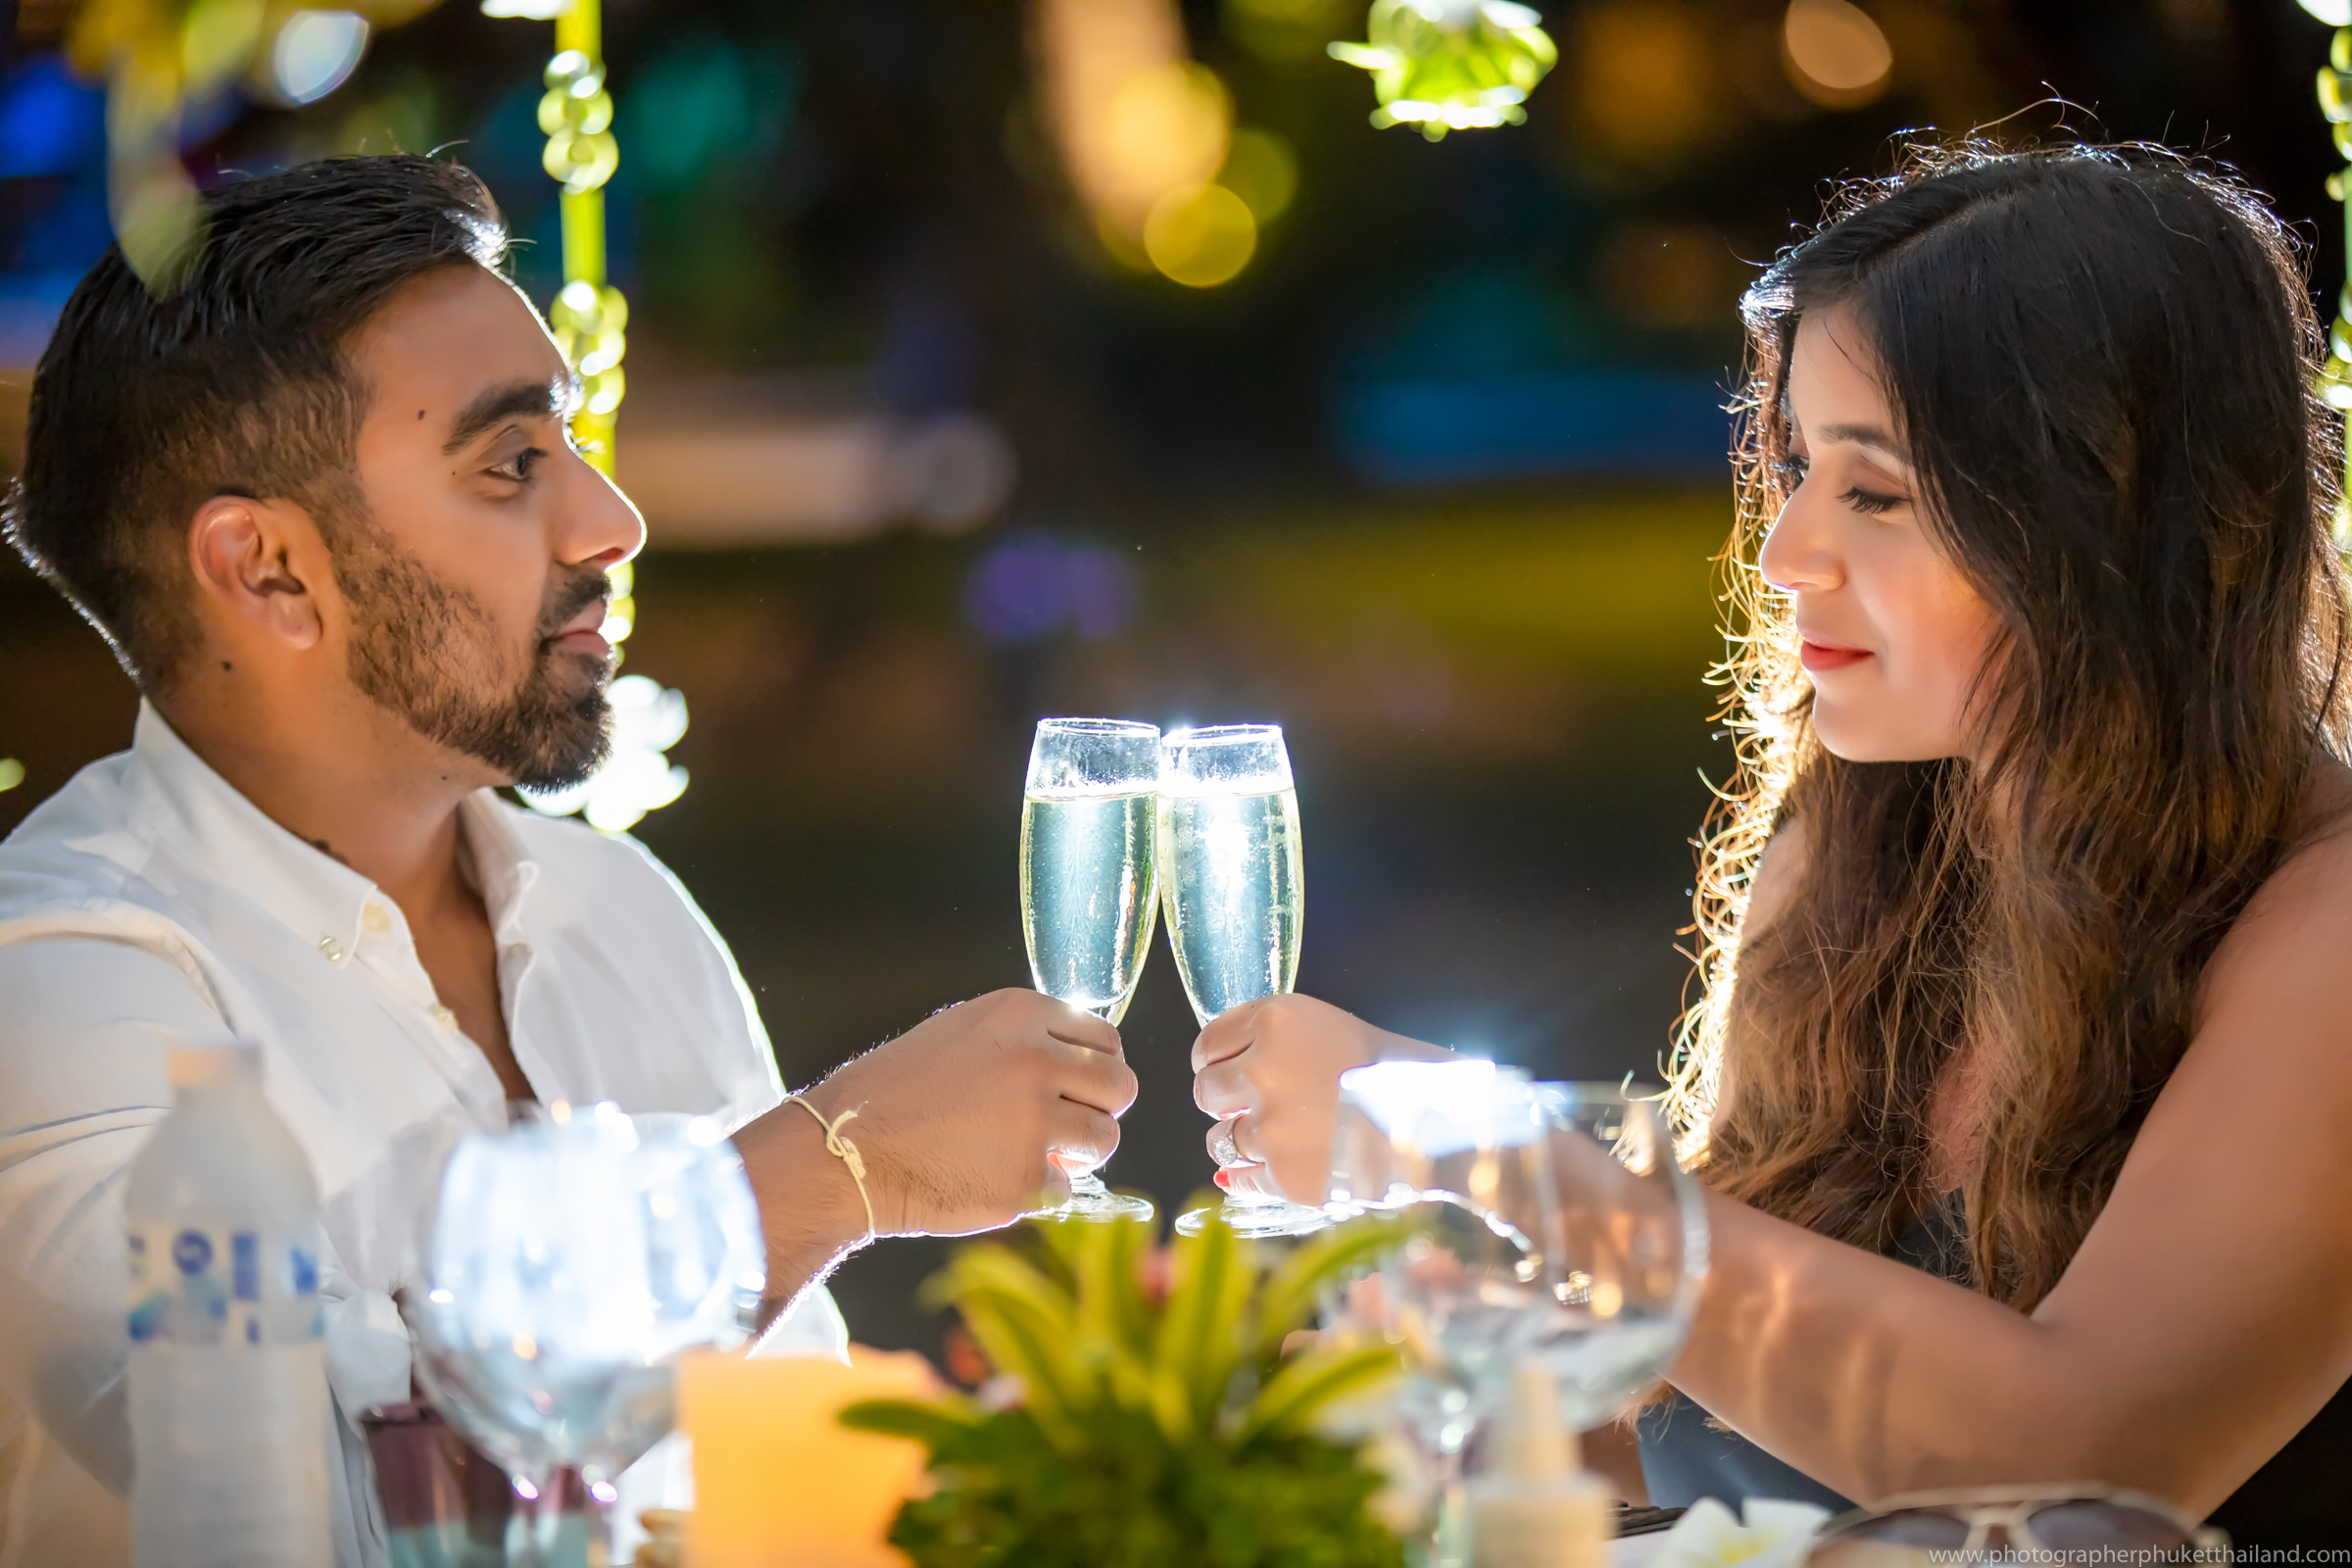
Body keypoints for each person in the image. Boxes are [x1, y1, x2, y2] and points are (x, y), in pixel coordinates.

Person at [1189, 144, 2352, 1547]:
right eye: (1794, 465)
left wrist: (1479, 1143)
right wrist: (1443, 1410)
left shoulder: (2322, 927)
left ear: (2109, 525)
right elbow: (1741, 1394)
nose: (1787, 549)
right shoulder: (1857, 863)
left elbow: (2082, 1469)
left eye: (1877, 491)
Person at [0, 155, 1136, 1566]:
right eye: (508, 464)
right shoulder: (56, 984)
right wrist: (828, 1171)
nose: (612, 521)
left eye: (575, 446)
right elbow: (309, 1505)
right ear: (269, 572)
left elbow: (786, 1473)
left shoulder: (618, 913)